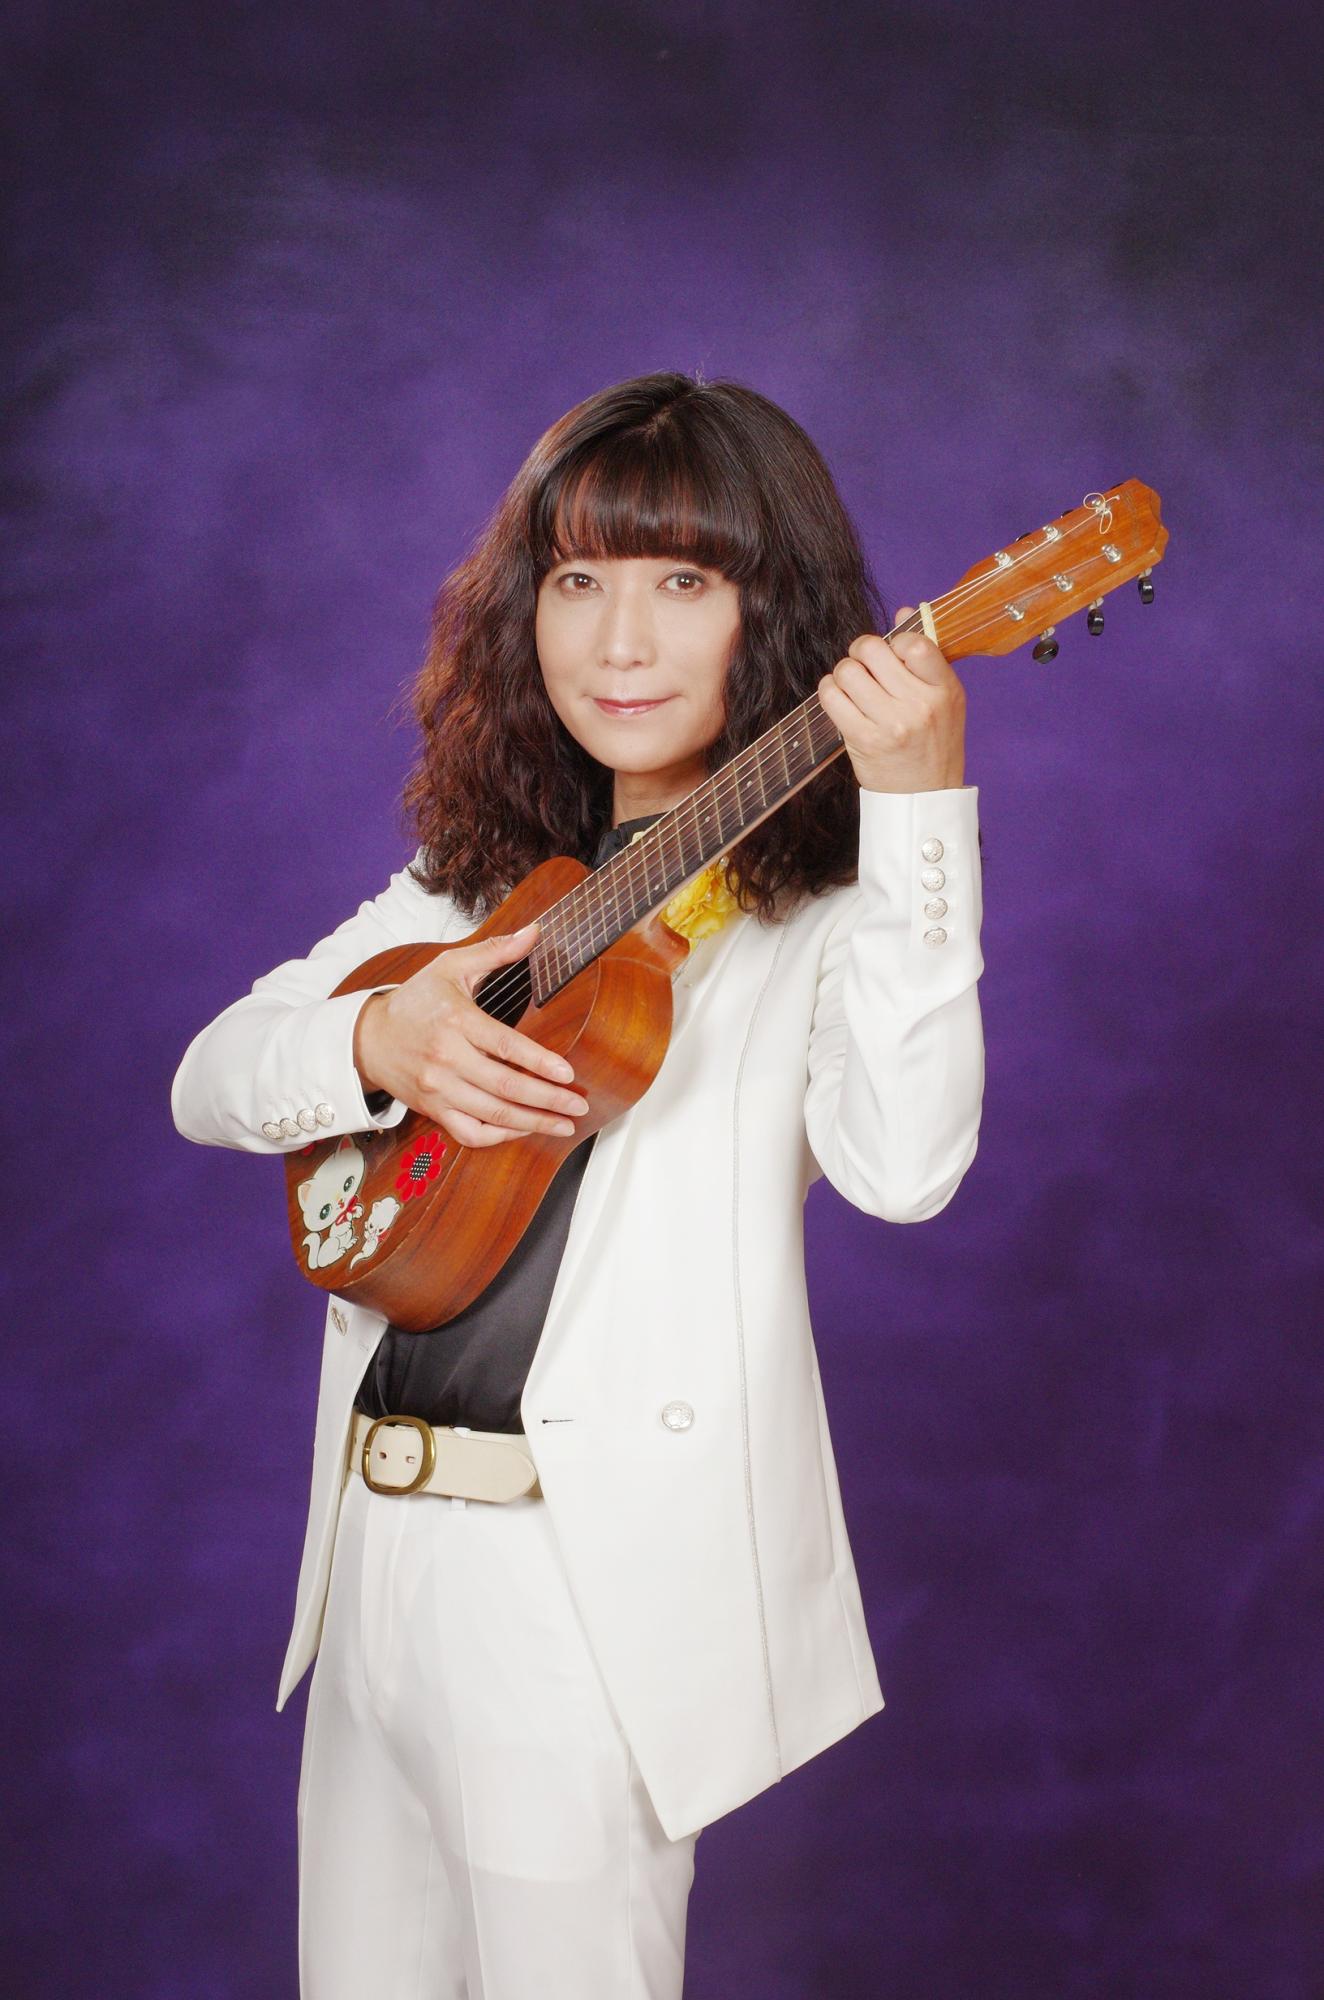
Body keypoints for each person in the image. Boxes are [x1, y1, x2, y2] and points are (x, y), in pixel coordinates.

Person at [171, 369, 985, 1999]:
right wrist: (380, 1034)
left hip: (575, 1580)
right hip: (373, 1556)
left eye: (684, 582)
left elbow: (905, 1172)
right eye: (577, 580)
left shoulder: (832, 916)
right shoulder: (474, 892)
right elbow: (212, 1075)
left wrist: (917, 809)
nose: (619, 642)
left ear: (777, 611)